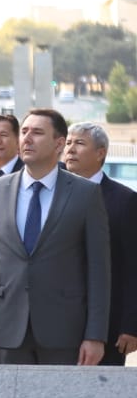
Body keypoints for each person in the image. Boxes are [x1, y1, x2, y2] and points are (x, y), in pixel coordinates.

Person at [0, 109, 109, 366]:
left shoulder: (85, 194)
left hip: (65, 332)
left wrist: (95, 335)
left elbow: (99, 271)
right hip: (7, 331)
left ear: (59, 143)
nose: (27, 138)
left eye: (37, 132)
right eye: (24, 132)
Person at [65, 121, 137, 366]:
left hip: (107, 324)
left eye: (80, 143)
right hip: (56, 322)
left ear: (100, 152)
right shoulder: (52, 195)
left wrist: (131, 325)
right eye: (68, 143)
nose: (71, 149)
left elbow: (132, 266)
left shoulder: (124, 201)